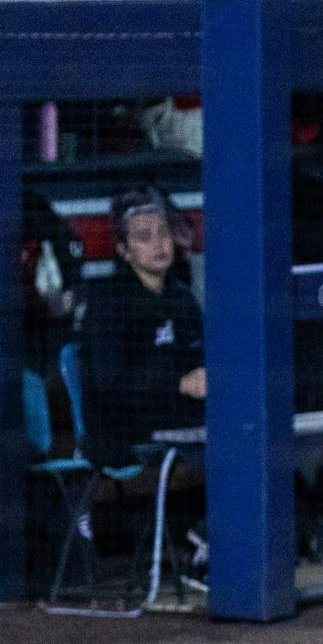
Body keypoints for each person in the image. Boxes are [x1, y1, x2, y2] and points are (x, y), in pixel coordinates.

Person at [79, 187, 206, 471]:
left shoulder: (181, 297)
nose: (158, 244)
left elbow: (201, 354)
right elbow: (111, 385)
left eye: (163, 234)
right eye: (144, 238)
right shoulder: (109, 303)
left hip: (180, 414)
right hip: (124, 426)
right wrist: (179, 383)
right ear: (124, 251)